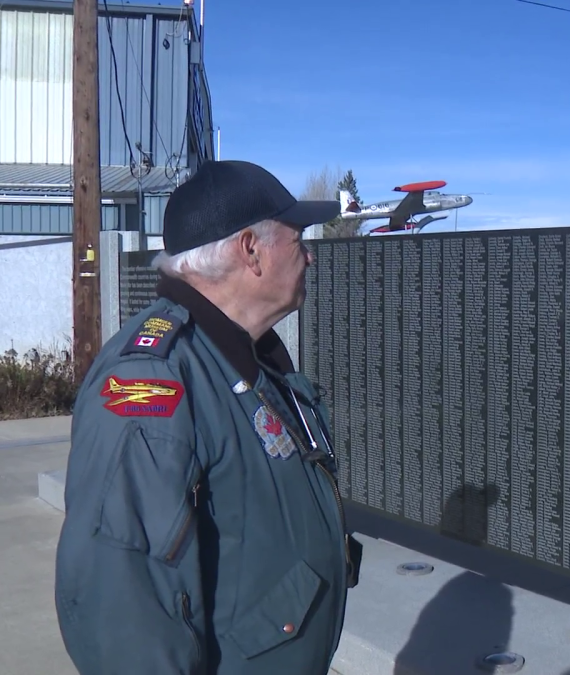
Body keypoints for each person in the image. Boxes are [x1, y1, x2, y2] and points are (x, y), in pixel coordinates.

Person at [54, 159, 363, 675]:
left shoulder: (243, 354)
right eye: (298, 238)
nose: (310, 257)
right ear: (250, 250)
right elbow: (121, 607)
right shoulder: (151, 386)